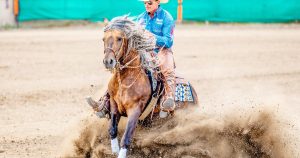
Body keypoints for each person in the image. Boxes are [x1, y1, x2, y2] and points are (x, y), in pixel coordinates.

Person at [86, 0, 176, 118]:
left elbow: (168, 41)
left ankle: (168, 100)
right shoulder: (140, 18)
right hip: (144, 51)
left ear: (158, 2)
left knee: (167, 70)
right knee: (121, 68)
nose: (146, 5)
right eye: (145, 3)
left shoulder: (167, 18)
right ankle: (105, 101)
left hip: (161, 51)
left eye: (149, 3)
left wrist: (151, 36)